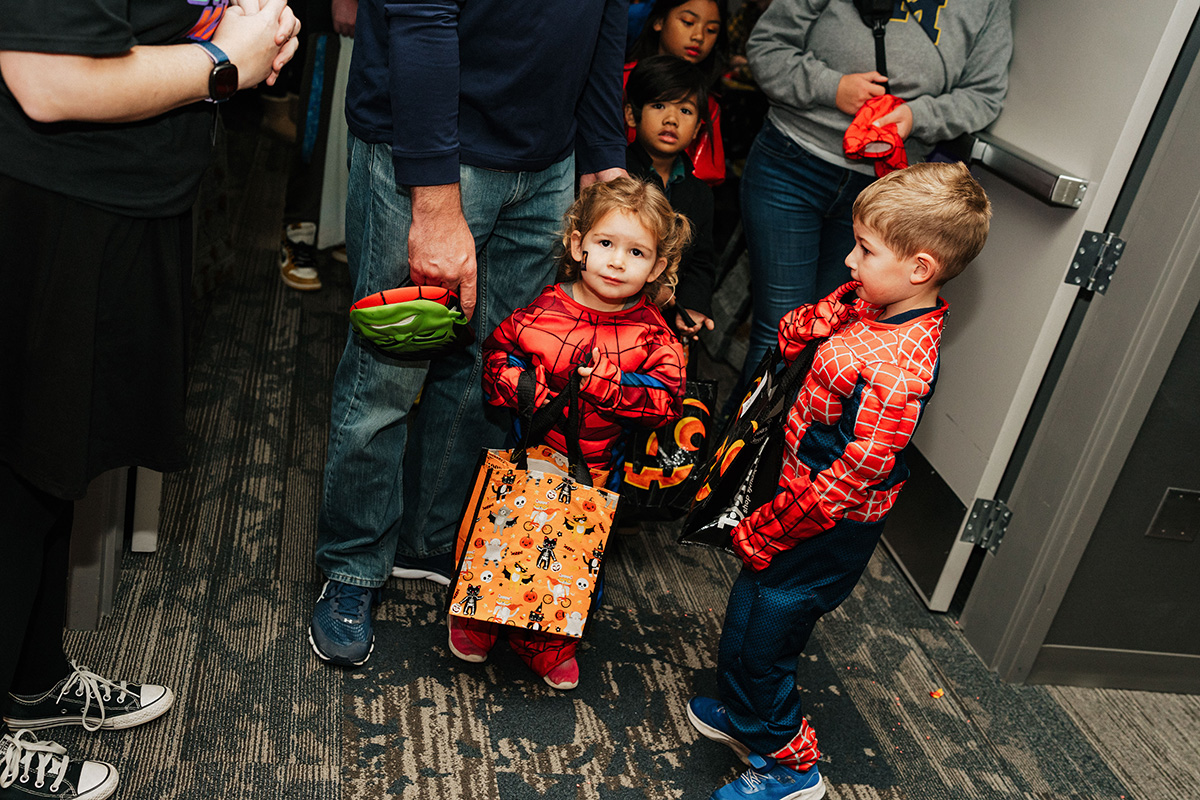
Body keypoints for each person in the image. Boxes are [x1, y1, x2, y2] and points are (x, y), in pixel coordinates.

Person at [0, 2, 298, 798]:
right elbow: (46, 78)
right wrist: (223, 60)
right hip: (48, 198)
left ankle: (29, 681)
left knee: (61, 459)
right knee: (18, 475)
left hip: (121, 194)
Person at [309, 0, 629, 668]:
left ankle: (426, 541)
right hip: (430, 154)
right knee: (388, 376)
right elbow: (421, 22)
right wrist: (435, 205)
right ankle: (353, 567)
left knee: (493, 368)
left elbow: (604, 16)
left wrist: (604, 159)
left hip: (547, 161)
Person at [687, 162, 991, 800]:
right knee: (746, 614)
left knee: (769, 636)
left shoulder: (901, 365)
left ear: (920, 268)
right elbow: (797, 333)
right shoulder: (872, 305)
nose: (850, 261)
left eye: (865, 249)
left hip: (824, 526)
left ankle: (793, 765)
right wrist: (827, 316)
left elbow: (858, 474)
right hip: (794, 494)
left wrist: (772, 527)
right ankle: (748, 718)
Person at [449, 177, 688, 690]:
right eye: (605, 244)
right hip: (529, 452)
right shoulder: (545, 307)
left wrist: (611, 385)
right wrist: (518, 385)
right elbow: (498, 350)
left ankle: (550, 642)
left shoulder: (654, 336)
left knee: (572, 554)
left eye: (636, 252)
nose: (617, 261)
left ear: (658, 267)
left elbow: (665, 401)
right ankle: (477, 617)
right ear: (578, 244)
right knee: (501, 536)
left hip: (596, 468)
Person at [736, 0, 1011, 382]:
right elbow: (766, 46)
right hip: (792, 161)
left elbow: (984, 95)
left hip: (885, 191)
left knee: (829, 333)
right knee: (781, 328)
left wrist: (919, 117)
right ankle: (740, 442)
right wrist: (833, 87)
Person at [624, 56, 718, 341]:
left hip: (663, 325)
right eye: (659, 105)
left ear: (698, 130)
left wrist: (692, 305)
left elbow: (702, 261)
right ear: (631, 115)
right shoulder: (619, 177)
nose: (671, 119)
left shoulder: (700, 194)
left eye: (685, 110)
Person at [626, 0, 729, 186]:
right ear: (659, 21)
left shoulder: (708, 102)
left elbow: (706, 175)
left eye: (711, 30)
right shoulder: (620, 82)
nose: (699, 36)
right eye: (688, 22)